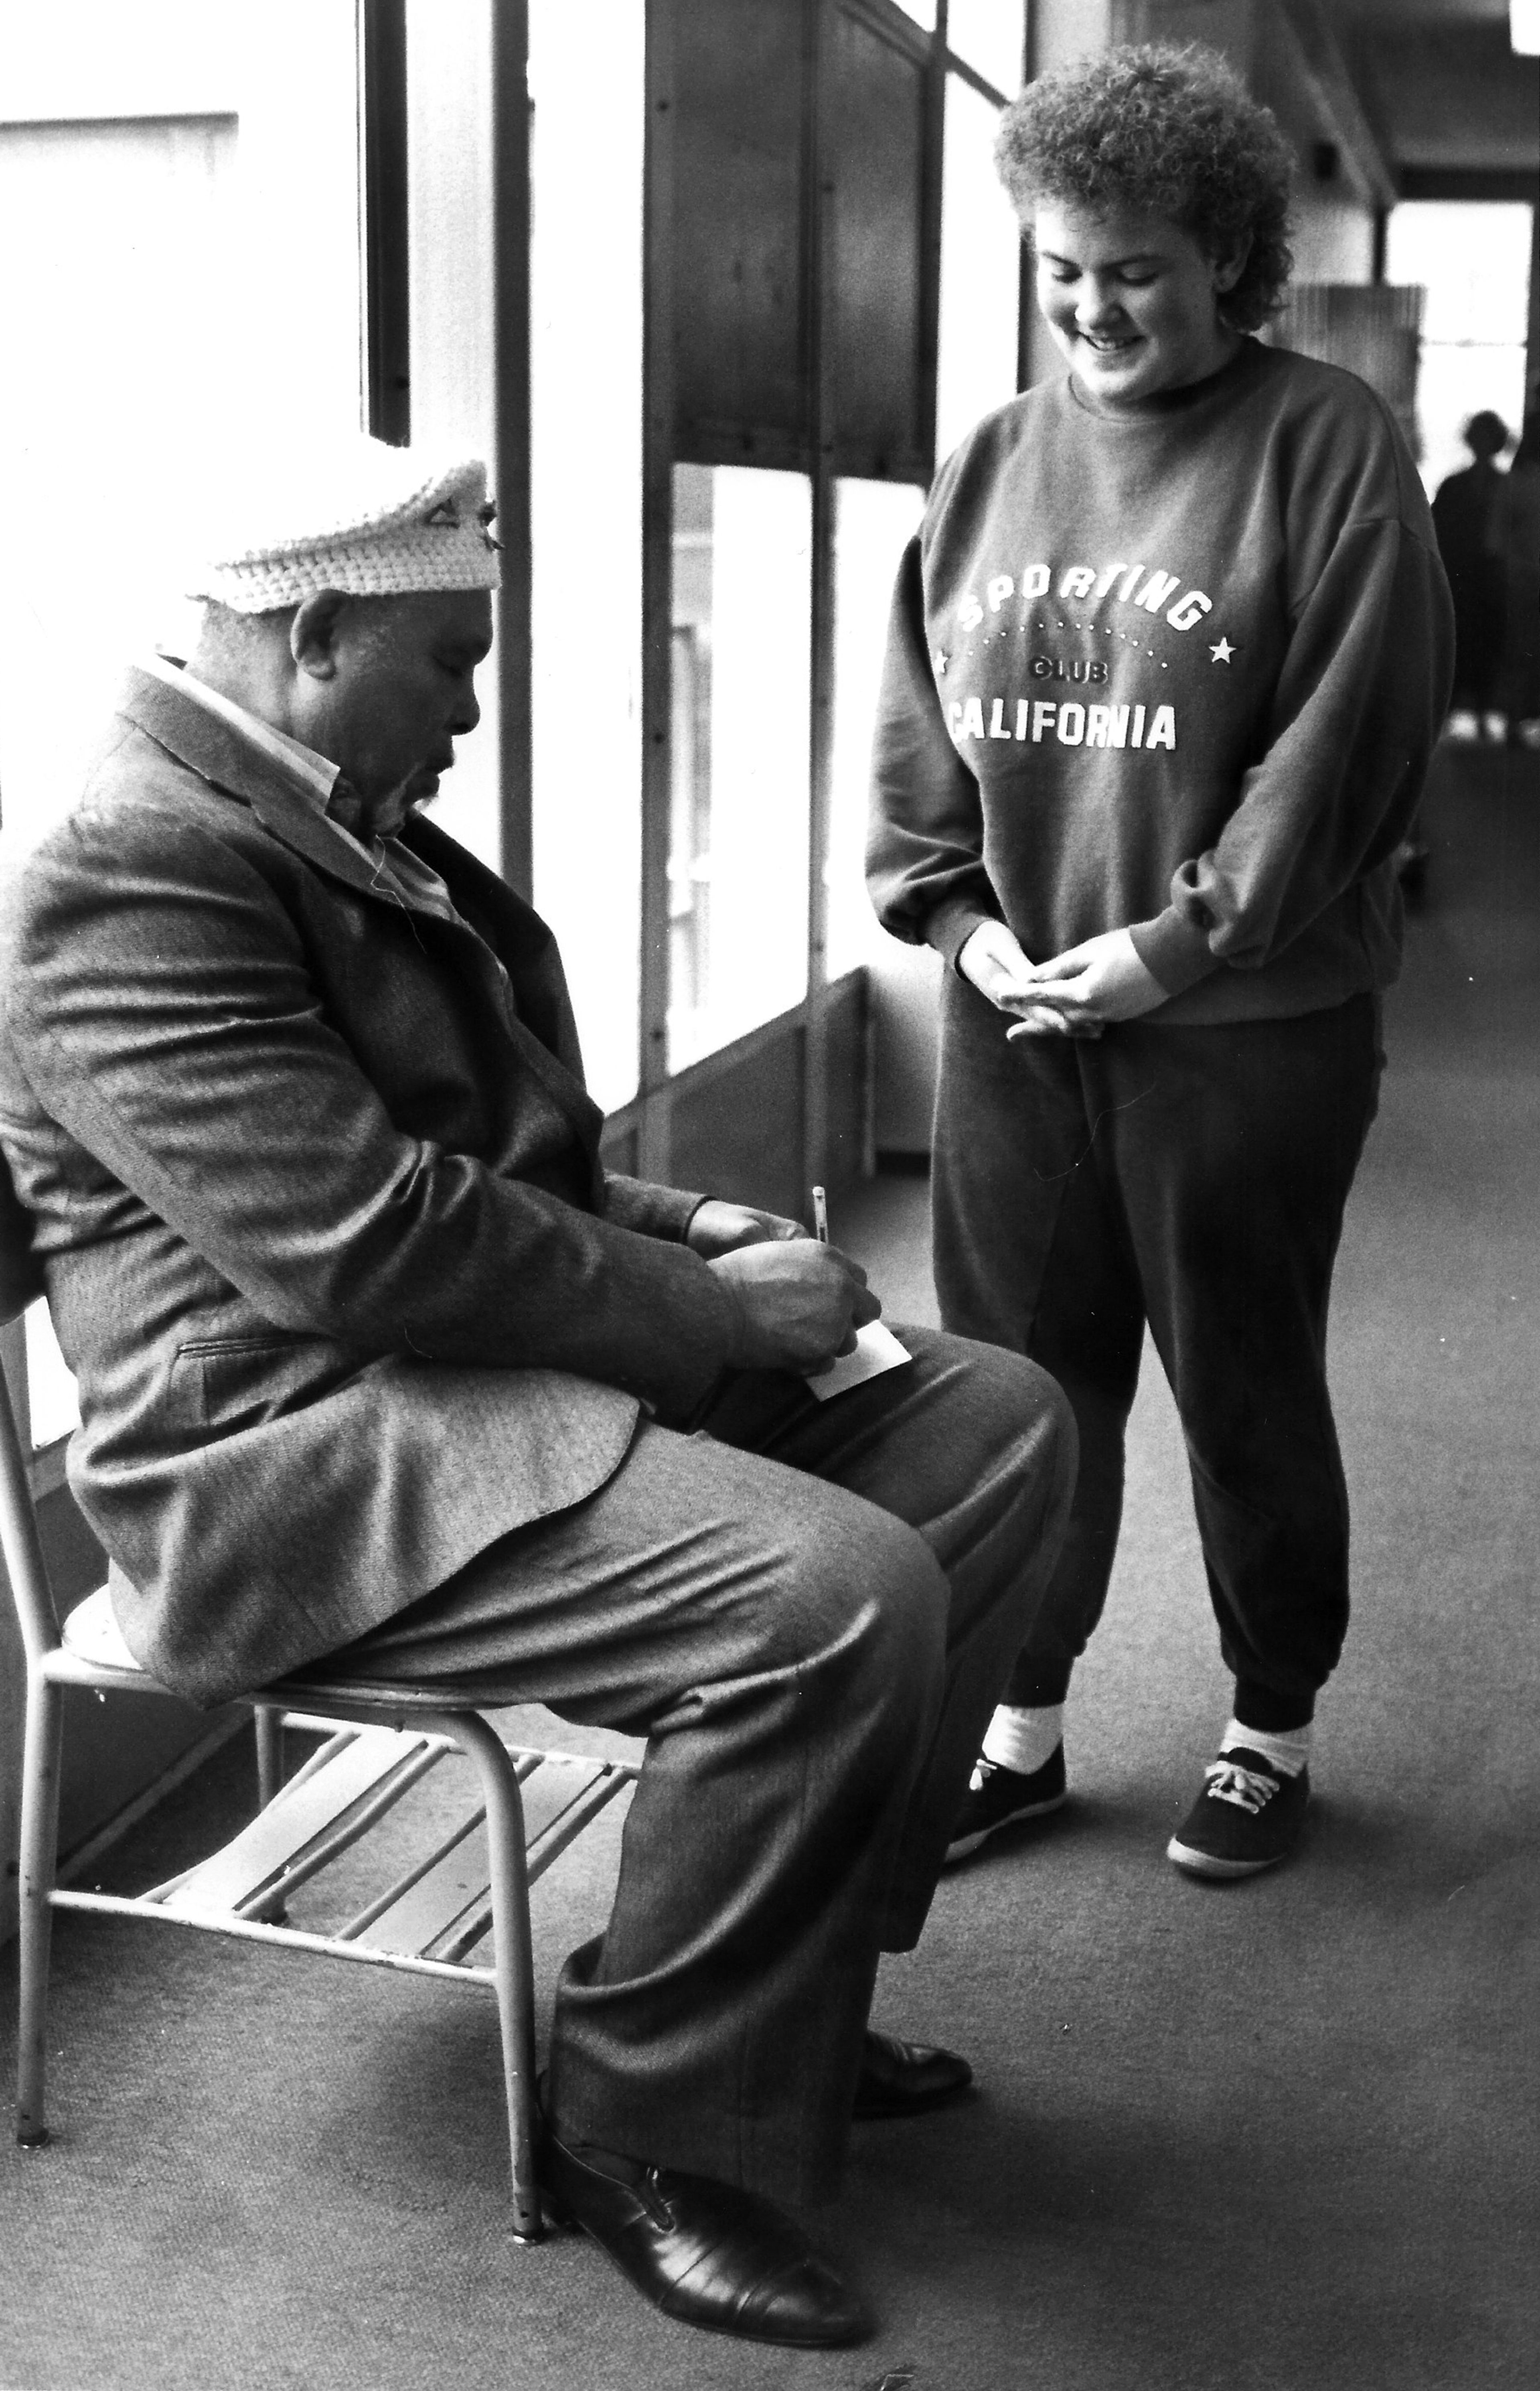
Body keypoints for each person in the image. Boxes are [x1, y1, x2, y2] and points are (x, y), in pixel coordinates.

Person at [0, 437, 1076, 2350]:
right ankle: (651, 2127)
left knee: (992, 1428)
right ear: (318, 634)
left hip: (454, 1379)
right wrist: (717, 1310)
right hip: (292, 1457)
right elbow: (365, 1242)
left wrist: (694, 1219)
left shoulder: (312, 800)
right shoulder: (127, 866)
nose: (478, 706)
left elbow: (493, 1156)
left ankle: (778, 2005)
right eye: (455, 659)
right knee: (828, 1595)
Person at [867, 44, 1453, 1884]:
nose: (1093, 304)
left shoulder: (1324, 441)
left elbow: (1344, 747)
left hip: (1244, 1029)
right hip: (1020, 1029)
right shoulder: (991, 457)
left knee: (1239, 1376)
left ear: (1224, 258)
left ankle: (1267, 1721)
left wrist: (1174, 943)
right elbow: (913, 733)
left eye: (1130, 266)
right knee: (1015, 1389)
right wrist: (962, 931)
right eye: (1061, 269)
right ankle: (1021, 1728)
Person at [1431, 410, 1510, 744]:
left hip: (1486, 577)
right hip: (1463, 575)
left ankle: (1478, 710)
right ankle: (1453, 712)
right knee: (1458, 641)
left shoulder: (1501, 486)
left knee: (1484, 641)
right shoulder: (1458, 485)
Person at [1494, 407, 1540, 749]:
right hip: (1524, 576)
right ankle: (1514, 718)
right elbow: (1497, 535)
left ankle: (1515, 719)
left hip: (1523, 574)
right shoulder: (1519, 482)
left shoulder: (1517, 482)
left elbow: (1497, 536)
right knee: (1521, 648)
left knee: (1521, 649)